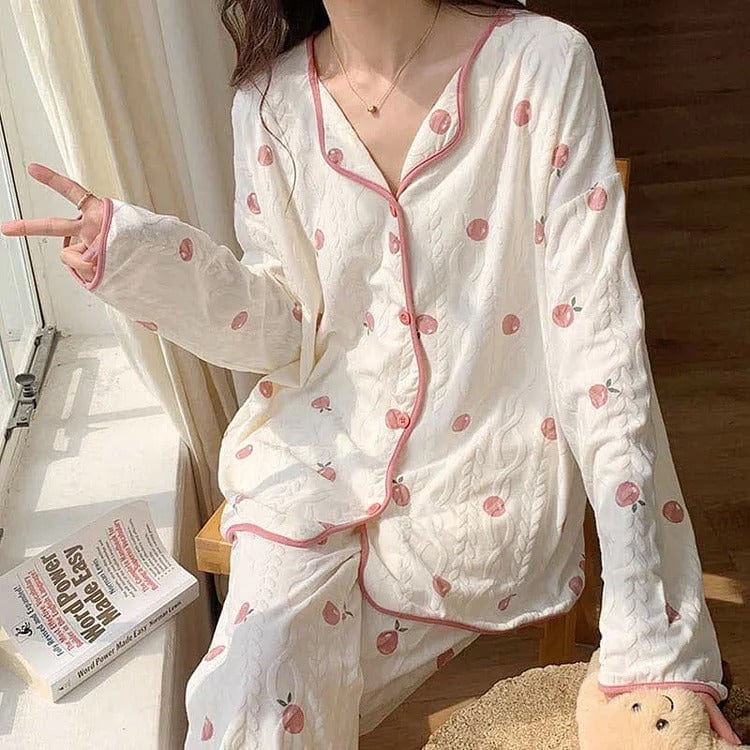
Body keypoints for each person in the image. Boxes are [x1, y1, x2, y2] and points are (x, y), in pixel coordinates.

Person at [2, 1, 741, 747]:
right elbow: (284, 327)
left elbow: (599, 346)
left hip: (481, 480)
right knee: (248, 695)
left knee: (269, 706)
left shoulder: (542, 64)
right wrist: (140, 260)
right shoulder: (268, 104)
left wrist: (651, 633)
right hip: (309, 472)